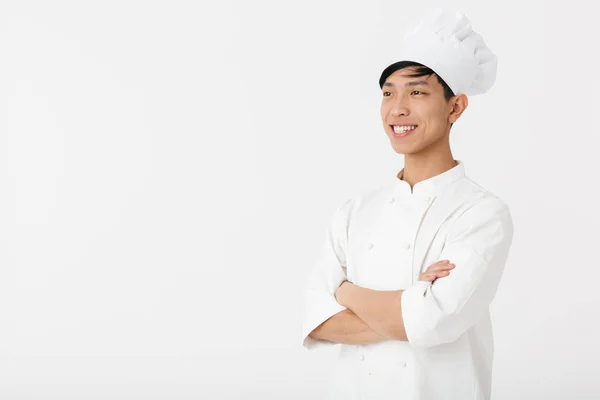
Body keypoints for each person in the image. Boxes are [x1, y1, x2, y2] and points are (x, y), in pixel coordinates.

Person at [300, 8, 514, 400]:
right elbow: (315, 321)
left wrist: (345, 292)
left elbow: (432, 324)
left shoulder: (483, 213)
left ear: (456, 107)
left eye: (416, 92)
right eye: (388, 92)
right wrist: (409, 305)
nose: (397, 108)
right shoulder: (354, 210)